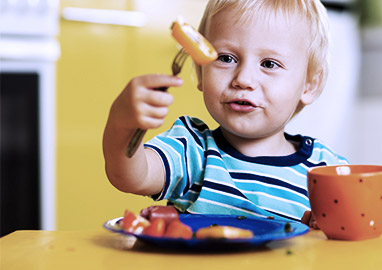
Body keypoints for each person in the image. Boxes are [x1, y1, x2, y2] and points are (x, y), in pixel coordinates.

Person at [103, 0, 348, 228]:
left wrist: (331, 225)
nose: (243, 79)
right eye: (226, 58)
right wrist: (122, 123)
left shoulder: (326, 171)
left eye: (269, 64)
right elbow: (131, 176)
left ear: (309, 85)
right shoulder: (191, 150)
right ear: (200, 72)